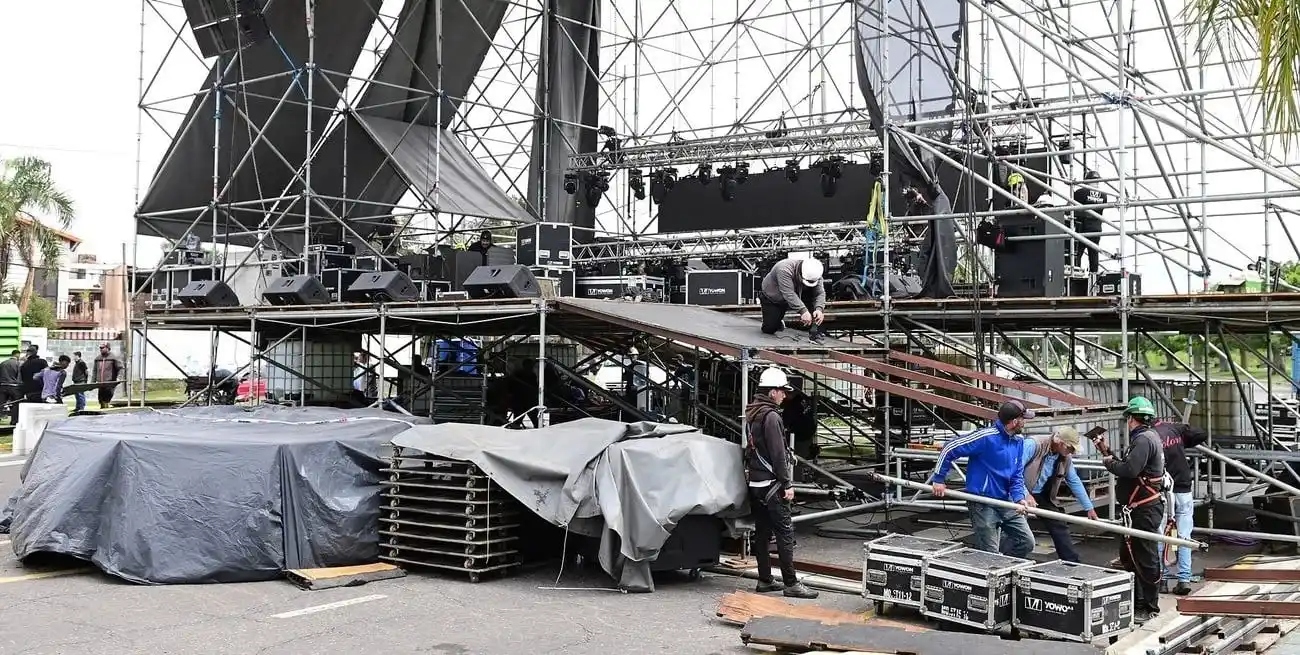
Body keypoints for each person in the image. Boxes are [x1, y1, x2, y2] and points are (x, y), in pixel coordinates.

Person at [745, 367, 818, 600]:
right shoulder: (772, 416)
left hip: (756, 484)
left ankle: (765, 579)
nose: (785, 396)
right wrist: (787, 484)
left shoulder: (752, 413)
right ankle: (791, 583)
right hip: (772, 486)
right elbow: (778, 454)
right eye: (782, 391)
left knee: (762, 533)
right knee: (785, 533)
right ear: (773, 391)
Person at [931, 400, 1036, 559]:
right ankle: (992, 564)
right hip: (982, 502)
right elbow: (949, 448)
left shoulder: (1018, 441)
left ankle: (1003, 563)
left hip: (1006, 501)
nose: (1025, 423)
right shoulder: (986, 437)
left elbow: (1016, 474)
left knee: (1027, 542)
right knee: (989, 554)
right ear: (1014, 421)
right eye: (1023, 419)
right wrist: (938, 478)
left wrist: (1019, 498)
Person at [1100, 396, 1166, 624]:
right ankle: (1139, 602)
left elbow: (1129, 470)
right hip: (1139, 508)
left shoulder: (1143, 440)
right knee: (1131, 557)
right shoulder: (1148, 438)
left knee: (1144, 558)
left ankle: (1148, 606)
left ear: (1131, 419)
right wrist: (1107, 452)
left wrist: (1109, 463)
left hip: (1143, 509)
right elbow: (1134, 469)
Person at [1021, 427, 1097, 563]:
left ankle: (1072, 563)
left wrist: (1089, 507)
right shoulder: (1033, 444)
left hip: (1042, 494)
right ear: (1061, 443)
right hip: (1019, 490)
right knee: (1017, 527)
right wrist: (1025, 494)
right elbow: (1014, 471)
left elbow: (1073, 480)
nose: (1072, 452)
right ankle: (1008, 559)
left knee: (1058, 523)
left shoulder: (1064, 456)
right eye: (1070, 448)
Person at [1155, 417, 1207, 596]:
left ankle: (1162, 579)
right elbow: (1201, 434)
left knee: (1160, 535)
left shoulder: (1148, 436)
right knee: (1184, 536)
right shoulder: (1174, 429)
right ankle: (1184, 579)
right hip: (1183, 489)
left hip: (1162, 490)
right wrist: (1185, 431)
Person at [759, 258, 827, 343]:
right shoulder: (783, 269)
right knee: (769, 328)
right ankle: (777, 323)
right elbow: (788, 293)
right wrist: (803, 311)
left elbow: (820, 293)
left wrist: (819, 309)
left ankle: (815, 331)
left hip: (798, 292)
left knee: (813, 297)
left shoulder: (815, 273)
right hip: (774, 297)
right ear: (800, 273)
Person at [1072, 170, 1106, 275]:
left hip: (1082, 227)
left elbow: (1071, 208)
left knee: (1077, 254)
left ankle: (1075, 275)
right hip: (1096, 228)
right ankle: (1094, 278)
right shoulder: (1104, 196)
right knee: (1094, 255)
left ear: (1087, 181)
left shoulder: (1080, 193)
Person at [92, 343, 123, 409]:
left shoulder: (113, 358)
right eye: (100, 348)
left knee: (107, 398)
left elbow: (120, 368)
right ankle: (103, 408)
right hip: (100, 383)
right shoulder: (98, 358)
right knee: (100, 399)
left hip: (110, 383)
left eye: (102, 348)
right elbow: (95, 370)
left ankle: (106, 409)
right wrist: (93, 381)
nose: (101, 349)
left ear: (108, 348)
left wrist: (118, 377)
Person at [0, 350, 21, 423]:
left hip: (2, 385)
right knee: (15, 403)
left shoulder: (3, 363)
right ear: (17, 355)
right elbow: (19, 376)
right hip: (13, 386)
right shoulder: (18, 364)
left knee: (1, 403)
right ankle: (14, 420)